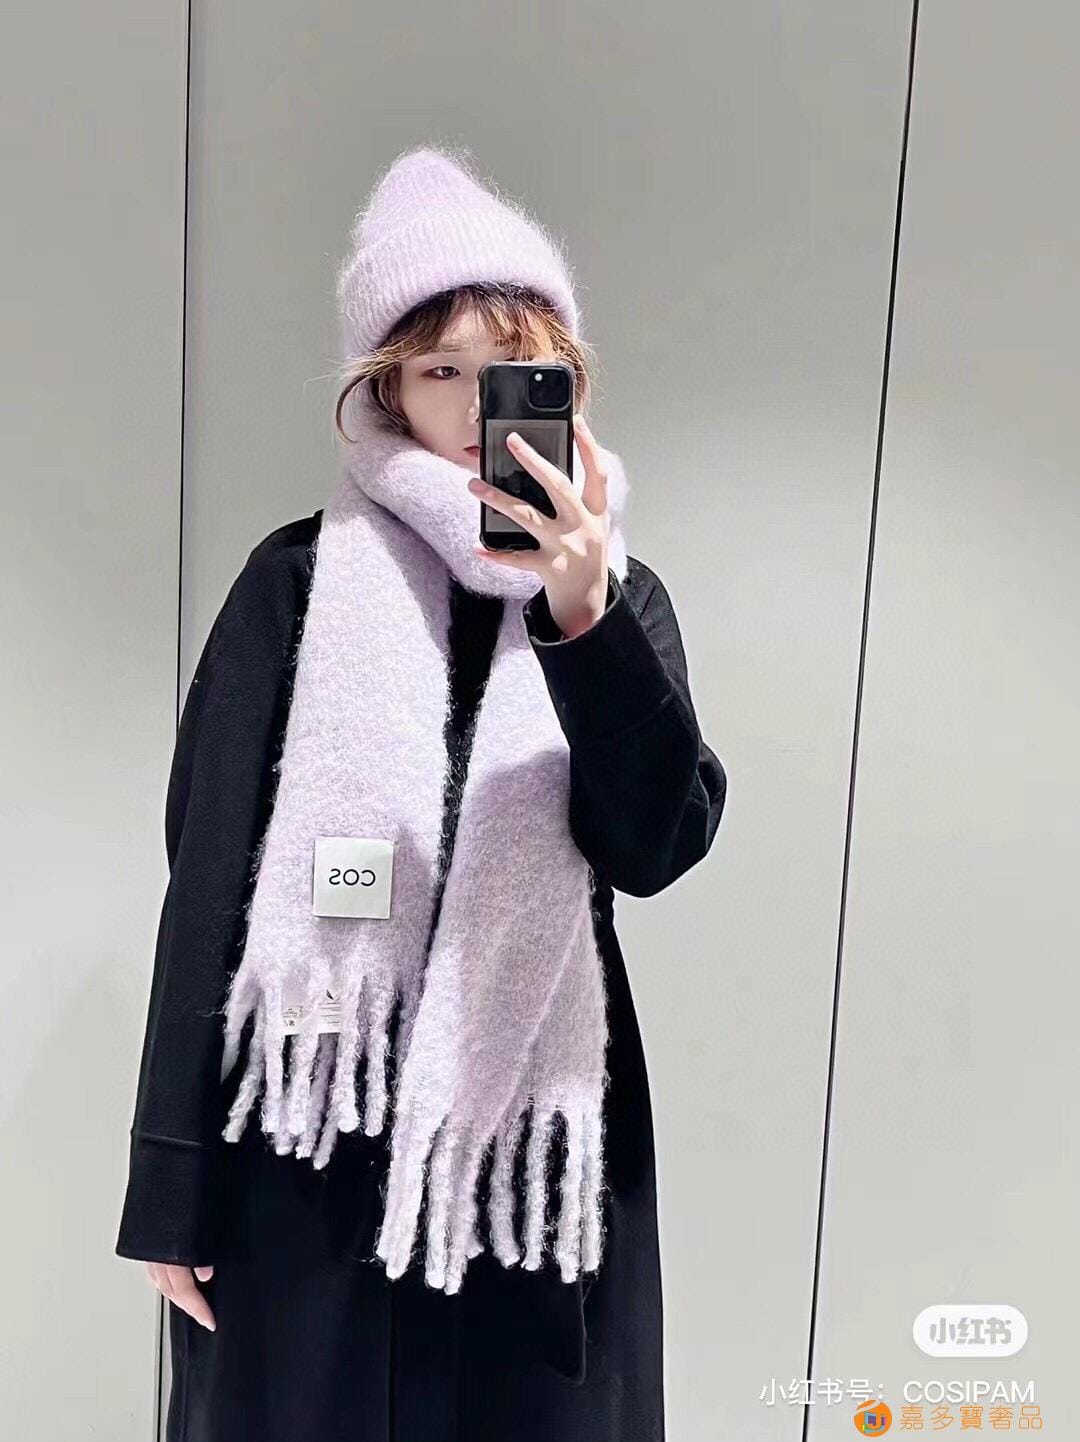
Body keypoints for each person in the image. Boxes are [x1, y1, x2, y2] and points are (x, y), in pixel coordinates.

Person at [115, 144, 727, 1442]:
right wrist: (171, 1186)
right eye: (439, 368)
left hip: (527, 1159)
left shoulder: (618, 604)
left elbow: (657, 841)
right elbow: (207, 881)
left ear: (559, 382)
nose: (468, 405)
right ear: (386, 384)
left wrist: (581, 616)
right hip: (309, 1147)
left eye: (506, 368)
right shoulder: (294, 585)